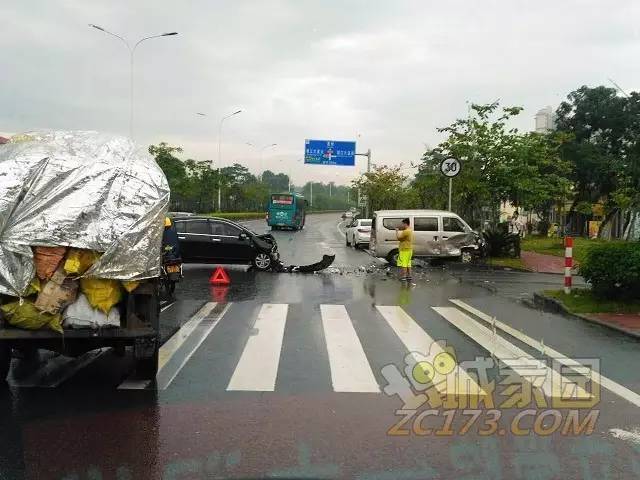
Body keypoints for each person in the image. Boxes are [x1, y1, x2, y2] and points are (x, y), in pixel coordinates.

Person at [395, 218, 413, 282]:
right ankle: (409, 276)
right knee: (408, 263)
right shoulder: (410, 230)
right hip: (409, 249)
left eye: (402, 224)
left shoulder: (406, 231)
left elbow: (399, 238)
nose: (402, 225)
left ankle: (403, 277)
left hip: (405, 249)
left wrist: (396, 231)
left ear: (405, 223)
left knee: (404, 263)